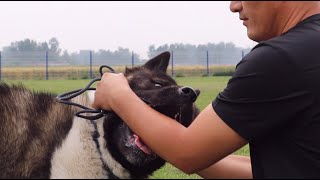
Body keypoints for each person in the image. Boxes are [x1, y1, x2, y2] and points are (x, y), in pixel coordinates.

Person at [92, 1, 320, 178]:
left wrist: (117, 94)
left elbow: (187, 151)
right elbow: (279, 169)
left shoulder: (281, 59)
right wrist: (165, 142)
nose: (234, 6)